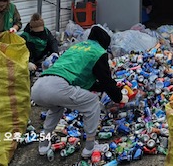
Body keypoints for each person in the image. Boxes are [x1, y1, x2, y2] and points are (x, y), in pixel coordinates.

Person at [31, 25, 128, 159]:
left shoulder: (77, 47)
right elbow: (106, 80)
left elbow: (84, 82)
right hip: (58, 87)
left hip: (39, 86)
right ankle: (89, 147)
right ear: (104, 43)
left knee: (56, 108)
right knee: (93, 103)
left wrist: (105, 88)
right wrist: (119, 97)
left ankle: (43, 144)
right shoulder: (98, 52)